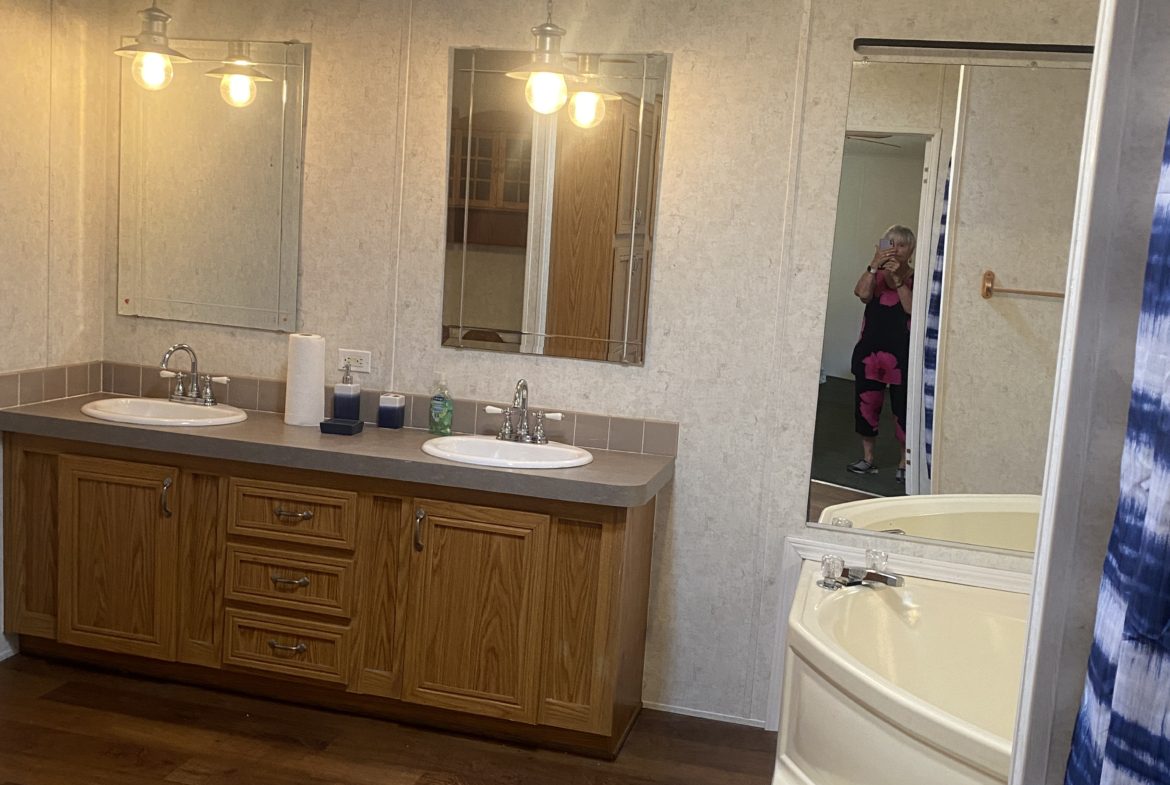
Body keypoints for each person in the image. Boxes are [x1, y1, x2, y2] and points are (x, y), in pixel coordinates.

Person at [846, 224, 915, 482]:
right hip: (870, 352)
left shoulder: (915, 276)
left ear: (911, 250)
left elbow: (911, 309)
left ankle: (904, 462)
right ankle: (868, 458)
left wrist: (897, 280)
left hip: (902, 355)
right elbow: (862, 294)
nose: (895, 249)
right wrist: (873, 266)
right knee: (866, 406)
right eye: (890, 244)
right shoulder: (874, 274)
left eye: (902, 245)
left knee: (903, 409)